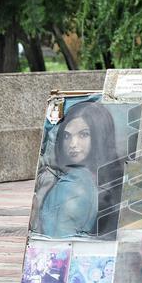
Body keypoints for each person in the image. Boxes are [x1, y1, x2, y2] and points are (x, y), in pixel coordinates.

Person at [31, 101, 119, 238]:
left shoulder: (78, 182)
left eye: (83, 135)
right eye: (67, 136)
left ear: (99, 135)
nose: (72, 144)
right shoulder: (76, 181)